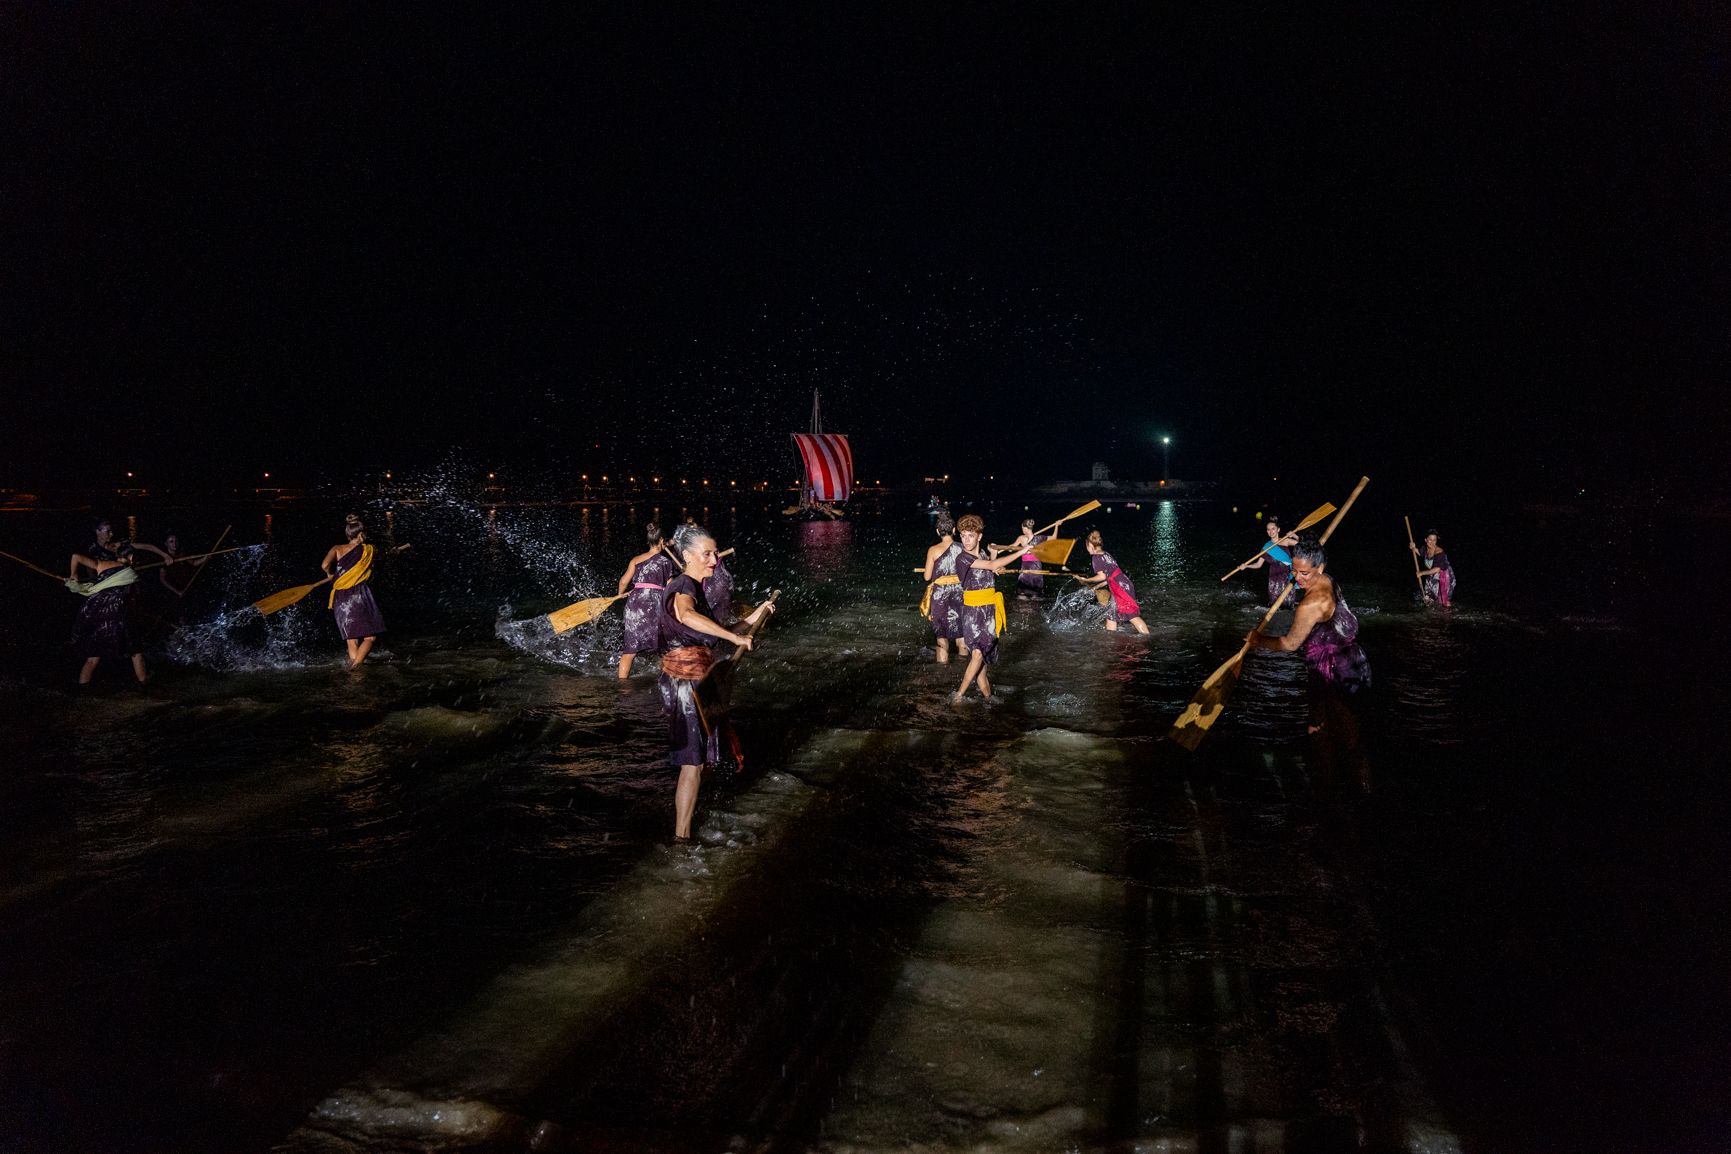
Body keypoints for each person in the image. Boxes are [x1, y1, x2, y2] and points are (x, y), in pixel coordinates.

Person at [657, 522, 773, 841]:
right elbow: (686, 616)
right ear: (687, 555)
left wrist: (756, 616)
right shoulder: (684, 585)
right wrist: (733, 639)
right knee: (693, 764)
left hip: (698, 677)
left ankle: (685, 815)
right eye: (706, 554)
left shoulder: (696, 589)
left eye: (715, 553)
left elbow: (715, 631)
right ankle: (681, 838)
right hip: (685, 680)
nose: (714, 560)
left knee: (702, 761)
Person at [1246, 533, 1371, 790]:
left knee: (1332, 730)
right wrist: (1302, 574)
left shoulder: (1310, 605)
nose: (1297, 578)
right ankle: (1331, 782)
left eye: (1304, 573)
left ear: (1320, 567)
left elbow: (1290, 644)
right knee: (1332, 726)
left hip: (1333, 670)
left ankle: (1349, 788)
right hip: (1354, 660)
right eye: (1294, 571)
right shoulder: (1329, 580)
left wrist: (1258, 640)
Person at [67, 518, 166, 685]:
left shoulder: (105, 560)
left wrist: (73, 577)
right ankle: (144, 684)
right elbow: (95, 577)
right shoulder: (122, 569)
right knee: (135, 650)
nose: (111, 534)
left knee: (95, 655)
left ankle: (82, 689)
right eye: (107, 531)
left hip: (102, 608)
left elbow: (76, 557)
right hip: (117, 610)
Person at [951, 515, 1024, 701]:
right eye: (963, 535)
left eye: (970, 535)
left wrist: (994, 557)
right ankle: (959, 695)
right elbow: (991, 565)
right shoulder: (962, 558)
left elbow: (990, 567)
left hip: (989, 611)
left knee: (982, 666)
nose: (966, 540)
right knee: (976, 654)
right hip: (973, 612)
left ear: (979, 537)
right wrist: (1022, 552)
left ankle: (988, 699)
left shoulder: (982, 554)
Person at [320, 514, 400, 669]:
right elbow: (382, 555)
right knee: (370, 638)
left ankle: (356, 671)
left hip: (339, 597)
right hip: (357, 595)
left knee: (352, 639)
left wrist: (330, 574)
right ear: (361, 534)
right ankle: (356, 667)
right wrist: (393, 552)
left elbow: (324, 565)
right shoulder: (369, 549)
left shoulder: (336, 548)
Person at [617, 523, 675, 678]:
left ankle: (621, 684)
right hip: (654, 604)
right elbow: (669, 589)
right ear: (661, 540)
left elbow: (623, 582)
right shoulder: (666, 562)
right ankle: (666, 678)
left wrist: (620, 594)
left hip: (635, 603)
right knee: (663, 647)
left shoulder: (636, 560)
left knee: (630, 650)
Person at [1076, 530, 1150, 634]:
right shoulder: (1105, 554)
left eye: (1087, 546)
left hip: (1120, 587)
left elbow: (1102, 576)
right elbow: (1109, 577)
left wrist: (1086, 580)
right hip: (1123, 583)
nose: (1087, 549)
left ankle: (1147, 637)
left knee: (1131, 615)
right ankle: (1110, 638)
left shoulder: (1096, 557)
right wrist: (1095, 587)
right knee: (1111, 614)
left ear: (1091, 545)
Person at [920, 512, 969, 663]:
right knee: (961, 635)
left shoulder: (933, 550)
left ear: (937, 531)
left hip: (940, 595)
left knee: (941, 637)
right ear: (954, 530)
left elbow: (927, 577)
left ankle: (942, 671)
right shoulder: (963, 548)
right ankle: (963, 668)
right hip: (960, 593)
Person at [1243, 517, 1299, 606]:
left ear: (1278, 530)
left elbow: (1303, 545)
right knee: (1274, 602)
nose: (1271, 531)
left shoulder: (1286, 540)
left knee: (1289, 602)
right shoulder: (1266, 547)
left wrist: (1295, 536)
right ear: (1267, 532)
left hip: (1288, 574)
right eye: (1268, 529)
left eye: (1273, 529)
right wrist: (1246, 566)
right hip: (1274, 576)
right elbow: (1258, 564)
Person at [1410, 530, 1456, 607]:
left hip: (1444, 576)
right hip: (1433, 574)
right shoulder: (1425, 549)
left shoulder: (1439, 552)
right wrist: (1413, 548)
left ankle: (1449, 612)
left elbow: (1437, 569)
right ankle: (1432, 612)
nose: (1432, 542)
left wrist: (1421, 573)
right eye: (1430, 540)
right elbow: (1420, 553)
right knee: (1428, 597)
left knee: (1443, 600)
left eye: (1434, 540)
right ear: (1426, 540)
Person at [1013, 518, 1049, 600]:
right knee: (1034, 596)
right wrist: (1056, 526)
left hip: (1030, 567)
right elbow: (1054, 537)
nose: (1022, 529)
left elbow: (1012, 547)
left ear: (1025, 528)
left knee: (1022, 595)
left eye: (1022, 528)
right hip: (1034, 566)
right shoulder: (1040, 538)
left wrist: (1003, 549)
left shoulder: (1022, 538)